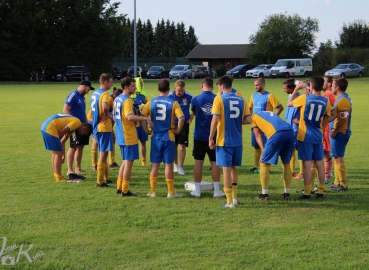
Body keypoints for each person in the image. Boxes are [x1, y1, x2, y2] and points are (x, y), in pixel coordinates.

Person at [209, 75, 251, 208]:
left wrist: (211, 137)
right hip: (238, 140)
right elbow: (248, 120)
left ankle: (228, 202)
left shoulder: (219, 98)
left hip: (224, 140)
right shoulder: (241, 99)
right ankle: (235, 198)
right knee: (233, 168)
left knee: (226, 170)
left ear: (222, 86)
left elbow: (215, 120)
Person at [288, 77, 333, 200]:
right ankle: (321, 191)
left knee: (307, 164)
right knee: (319, 162)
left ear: (311, 87)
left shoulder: (304, 98)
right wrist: (324, 123)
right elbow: (333, 114)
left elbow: (289, 103)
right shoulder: (325, 101)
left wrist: (296, 89)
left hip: (305, 136)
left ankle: (307, 192)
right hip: (318, 136)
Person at [141, 79, 185, 198]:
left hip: (155, 136)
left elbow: (142, 117)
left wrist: (146, 131)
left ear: (158, 89)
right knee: (168, 165)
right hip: (168, 136)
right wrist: (178, 130)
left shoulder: (151, 102)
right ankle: (171, 192)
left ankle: (152, 191)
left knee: (155, 165)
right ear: (169, 89)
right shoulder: (173, 103)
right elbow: (181, 118)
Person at [114, 77, 153, 196]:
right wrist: (145, 118)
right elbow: (129, 116)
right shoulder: (127, 100)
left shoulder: (117, 99)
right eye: (132, 86)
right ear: (126, 87)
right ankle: (125, 190)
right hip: (128, 135)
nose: (135, 88)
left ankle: (119, 187)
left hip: (121, 135)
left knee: (124, 162)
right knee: (128, 164)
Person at [190, 77, 225, 198]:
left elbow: (194, 112)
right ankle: (216, 190)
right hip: (215, 136)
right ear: (212, 87)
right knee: (215, 163)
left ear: (202, 85)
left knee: (198, 163)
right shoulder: (218, 98)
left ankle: (197, 190)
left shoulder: (195, 99)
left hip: (199, 136)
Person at [251, 111, 294, 200]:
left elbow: (257, 135)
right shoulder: (271, 113)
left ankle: (264, 194)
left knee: (264, 162)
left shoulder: (253, 117)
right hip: (290, 131)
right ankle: (287, 193)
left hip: (277, 133)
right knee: (286, 162)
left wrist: (263, 151)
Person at [41, 114, 92, 182]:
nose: (82, 135)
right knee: (57, 153)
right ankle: (58, 176)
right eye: (84, 133)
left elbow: (63, 141)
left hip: (46, 127)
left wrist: (63, 155)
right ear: (84, 129)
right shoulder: (77, 122)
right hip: (50, 128)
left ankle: (56, 175)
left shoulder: (73, 128)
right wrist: (60, 152)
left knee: (55, 153)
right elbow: (61, 133)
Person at [249, 77, 284, 173]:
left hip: (266, 126)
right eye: (254, 85)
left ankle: (268, 168)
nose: (255, 87)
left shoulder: (269, 96)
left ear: (263, 85)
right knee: (256, 146)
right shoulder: (253, 96)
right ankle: (256, 166)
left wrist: (273, 117)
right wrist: (251, 118)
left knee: (266, 146)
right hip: (255, 125)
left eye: (257, 85)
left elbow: (280, 107)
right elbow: (250, 107)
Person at [63, 80, 94, 180]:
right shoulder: (73, 95)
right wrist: (73, 123)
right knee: (73, 147)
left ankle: (78, 168)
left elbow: (83, 112)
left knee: (80, 147)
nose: (88, 91)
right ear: (84, 86)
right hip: (75, 126)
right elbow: (66, 109)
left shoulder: (82, 97)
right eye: (88, 89)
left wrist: (85, 123)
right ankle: (70, 170)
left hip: (83, 127)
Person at [90, 73, 114, 187]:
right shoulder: (105, 94)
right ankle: (100, 182)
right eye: (110, 82)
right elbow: (105, 107)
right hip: (104, 127)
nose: (112, 84)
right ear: (105, 82)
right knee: (103, 154)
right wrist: (105, 114)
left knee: (103, 152)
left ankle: (106, 178)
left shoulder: (94, 94)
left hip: (97, 126)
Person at [329, 77, 352, 192]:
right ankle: (337, 182)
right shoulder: (342, 98)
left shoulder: (343, 100)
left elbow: (343, 118)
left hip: (340, 132)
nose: (331, 87)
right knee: (336, 157)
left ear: (337, 87)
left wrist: (335, 131)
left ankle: (342, 184)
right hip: (340, 132)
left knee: (339, 158)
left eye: (332, 85)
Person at [168, 80, 194, 175]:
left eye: (182, 90)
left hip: (184, 124)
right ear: (174, 88)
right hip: (173, 124)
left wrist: (192, 115)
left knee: (182, 146)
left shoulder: (188, 96)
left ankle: (181, 167)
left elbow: (198, 103)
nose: (181, 93)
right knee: (174, 145)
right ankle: (175, 164)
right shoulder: (170, 96)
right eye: (179, 90)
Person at [282, 78, 300, 178]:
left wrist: (299, 122)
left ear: (292, 88)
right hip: (290, 127)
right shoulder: (290, 97)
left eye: (285, 88)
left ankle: (301, 173)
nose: (284, 90)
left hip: (297, 127)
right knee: (291, 149)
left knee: (298, 149)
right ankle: (292, 172)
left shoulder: (300, 98)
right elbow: (288, 113)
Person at [132, 77, 149, 166]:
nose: (142, 84)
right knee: (133, 143)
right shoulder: (131, 96)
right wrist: (137, 107)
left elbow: (148, 106)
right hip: (134, 123)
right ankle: (131, 160)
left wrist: (144, 106)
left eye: (142, 83)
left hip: (143, 122)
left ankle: (143, 161)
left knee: (143, 142)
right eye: (140, 83)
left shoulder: (143, 96)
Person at [322, 76, 336, 184]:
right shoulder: (328, 95)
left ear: (330, 84)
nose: (322, 83)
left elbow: (332, 112)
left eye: (325, 81)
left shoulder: (328, 95)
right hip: (326, 128)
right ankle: (328, 174)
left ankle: (327, 176)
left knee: (326, 153)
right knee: (325, 153)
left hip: (326, 128)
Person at [108, 87, 122, 168]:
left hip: (109, 122)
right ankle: (94, 164)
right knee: (96, 142)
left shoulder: (116, 99)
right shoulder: (110, 99)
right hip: (100, 123)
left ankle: (111, 162)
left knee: (112, 138)